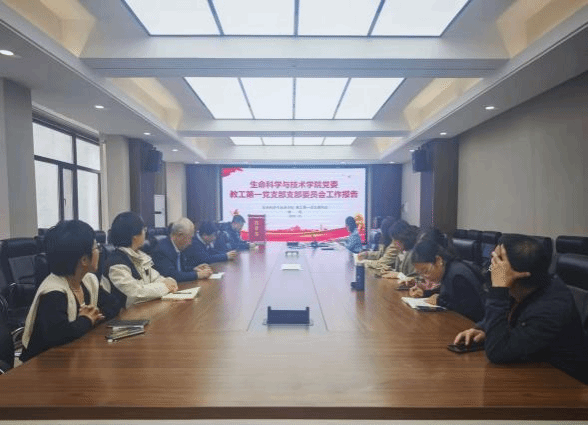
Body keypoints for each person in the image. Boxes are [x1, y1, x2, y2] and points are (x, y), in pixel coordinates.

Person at [454, 234, 588, 384]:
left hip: (560, 385)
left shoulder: (551, 309)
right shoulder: (528, 287)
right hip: (528, 370)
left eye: (497, 262)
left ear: (516, 275)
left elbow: (496, 352)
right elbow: (508, 315)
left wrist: (498, 290)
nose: (491, 267)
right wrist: (484, 329)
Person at [19, 220, 121, 362]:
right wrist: (87, 319)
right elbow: (59, 336)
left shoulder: (87, 280)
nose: (99, 251)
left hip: (74, 356)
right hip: (44, 364)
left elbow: (114, 304)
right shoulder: (53, 292)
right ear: (84, 260)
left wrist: (93, 315)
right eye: (96, 247)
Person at [101, 212, 178, 309]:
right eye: (143, 230)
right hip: (125, 315)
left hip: (145, 309)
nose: (145, 233)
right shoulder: (116, 264)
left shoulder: (140, 256)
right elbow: (135, 294)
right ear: (134, 237)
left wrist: (169, 281)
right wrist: (165, 287)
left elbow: (155, 278)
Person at [411, 235, 486, 322]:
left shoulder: (458, 277)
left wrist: (440, 301)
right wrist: (425, 293)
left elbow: (468, 310)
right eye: (420, 273)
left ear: (438, 261)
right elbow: (446, 293)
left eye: (425, 271)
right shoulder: (449, 269)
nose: (425, 277)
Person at [151, 217, 213, 283]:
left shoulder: (178, 247)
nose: (190, 243)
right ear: (179, 235)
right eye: (189, 238)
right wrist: (197, 275)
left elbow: (180, 269)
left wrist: (195, 269)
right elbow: (171, 275)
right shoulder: (162, 250)